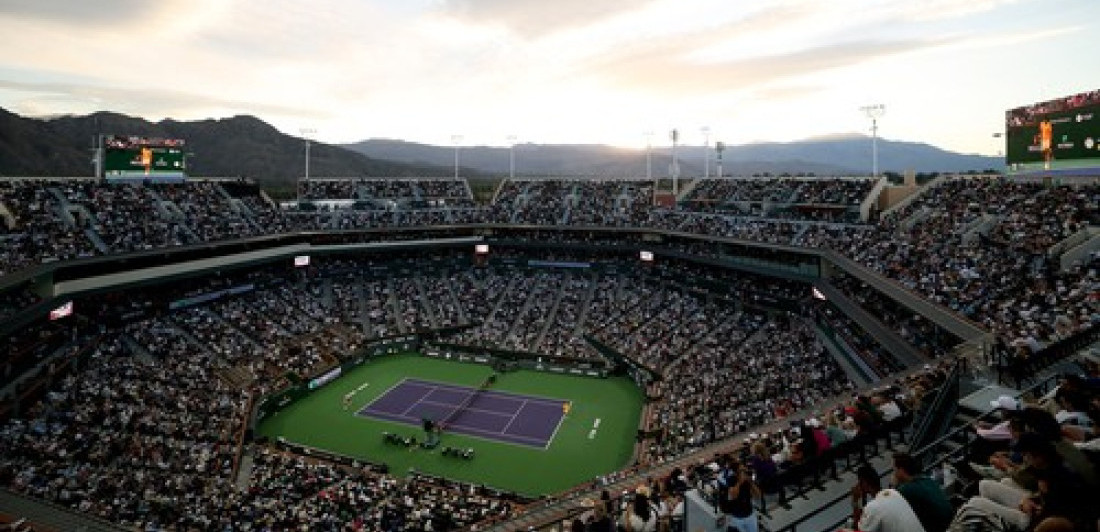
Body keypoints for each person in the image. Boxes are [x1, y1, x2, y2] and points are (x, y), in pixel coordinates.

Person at [851, 464, 926, 532]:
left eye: (859, 482)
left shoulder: (873, 507)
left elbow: (857, 529)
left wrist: (855, 500)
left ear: (864, 483)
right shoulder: (895, 493)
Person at [892, 453, 953, 532]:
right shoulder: (928, 480)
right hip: (950, 524)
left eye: (894, 470)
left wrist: (894, 485)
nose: (893, 474)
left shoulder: (907, 490)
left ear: (901, 470)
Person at [720, 459, 760, 532]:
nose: (744, 471)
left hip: (749, 514)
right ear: (736, 472)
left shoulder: (747, 481)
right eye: (741, 470)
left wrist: (751, 482)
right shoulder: (731, 480)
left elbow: (758, 495)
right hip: (737, 517)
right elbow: (733, 496)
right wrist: (739, 483)